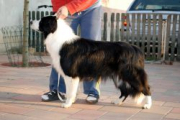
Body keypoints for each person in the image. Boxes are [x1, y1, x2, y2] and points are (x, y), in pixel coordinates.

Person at [41, 0, 102, 104]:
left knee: (92, 50)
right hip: (64, 7)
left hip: (91, 6)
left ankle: (92, 91)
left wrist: (70, 7)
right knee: (59, 49)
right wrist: (59, 9)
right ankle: (58, 90)